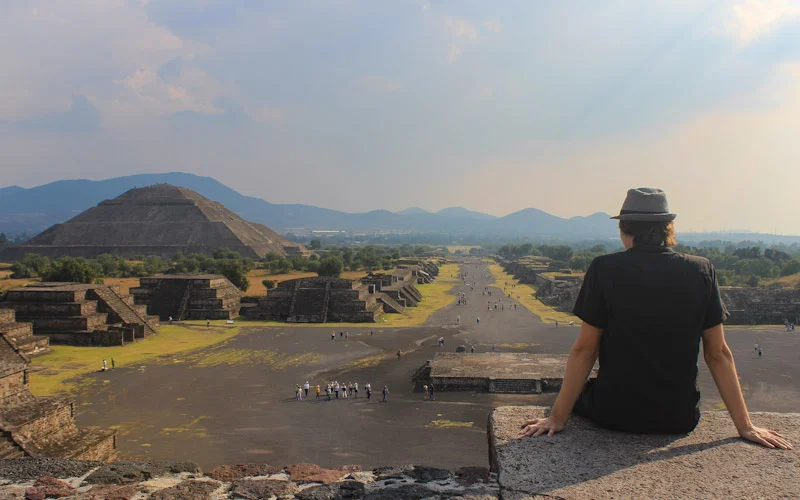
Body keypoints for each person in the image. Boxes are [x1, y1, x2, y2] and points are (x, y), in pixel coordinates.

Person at [520, 188, 792, 451]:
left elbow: (585, 350)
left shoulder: (604, 268)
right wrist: (745, 426)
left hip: (614, 412)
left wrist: (556, 417)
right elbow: (718, 353)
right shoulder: (701, 269)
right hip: (679, 417)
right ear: (667, 229)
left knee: (580, 393)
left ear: (623, 228)